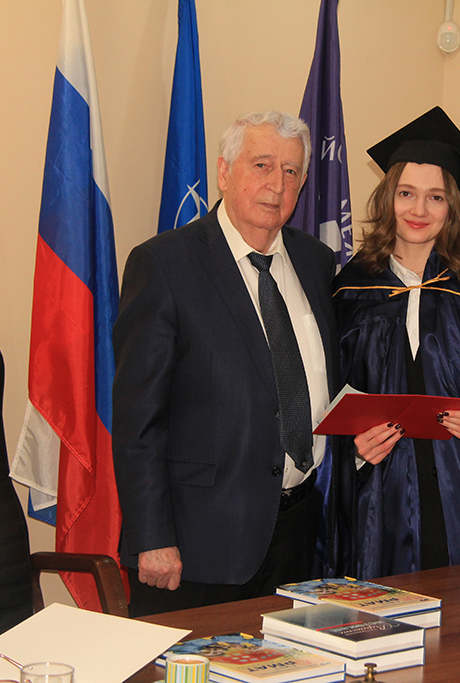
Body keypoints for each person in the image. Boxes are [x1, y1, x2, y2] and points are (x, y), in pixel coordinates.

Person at [112, 111, 339, 616]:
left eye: (291, 171)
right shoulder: (164, 264)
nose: (277, 184)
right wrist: (152, 536)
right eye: (261, 165)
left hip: (298, 536)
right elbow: (137, 421)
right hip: (197, 547)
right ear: (224, 171)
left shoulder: (316, 263)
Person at [329, 107, 460, 580]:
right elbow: (326, 399)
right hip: (378, 500)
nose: (419, 210)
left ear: (455, 208)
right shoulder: (349, 292)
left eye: (436, 197)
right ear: (388, 198)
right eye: (406, 193)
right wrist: (354, 451)